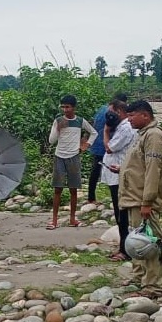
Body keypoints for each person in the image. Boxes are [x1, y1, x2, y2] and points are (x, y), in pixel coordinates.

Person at [119, 100, 162, 299]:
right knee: (137, 240)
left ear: (145, 115)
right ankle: (139, 277)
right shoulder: (143, 135)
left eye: (132, 115)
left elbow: (153, 169)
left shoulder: (153, 136)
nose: (129, 120)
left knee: (150, 242)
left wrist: (147, 201)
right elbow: (141, 163)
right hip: (134, 196)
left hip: (142, 198)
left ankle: (153, 286)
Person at [47, 95, 98, 230]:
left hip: (74, 157)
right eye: (63, 107)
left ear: (74, 107)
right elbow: (51, 141)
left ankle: (72, 219)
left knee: (73, 189)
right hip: (60, 156)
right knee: (57, 189)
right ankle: (54, 220)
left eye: (67, 107)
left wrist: (86, 145)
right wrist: (58, 128)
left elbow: (94, 133)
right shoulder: (58, 121)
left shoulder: (80, 121)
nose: (65, 110)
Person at [101, 100, 137, 262]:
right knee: (119, 212)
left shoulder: (125, 128)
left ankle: (125, 249)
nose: (109, 115)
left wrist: (106, 131)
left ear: (119, 111)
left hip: (119, 175)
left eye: (111, 112)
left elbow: (110, 147)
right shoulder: (123, 127)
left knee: (121, 213)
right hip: (115, 174)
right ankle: (125, 246)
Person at [87, 92, 128, 205]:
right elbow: (114, 128)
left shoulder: (101, 109)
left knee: (95, 171)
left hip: (97, 144)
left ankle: (91, 197)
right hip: (107, 144)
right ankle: (117, 197)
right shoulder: (113, 113)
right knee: (116, 172)